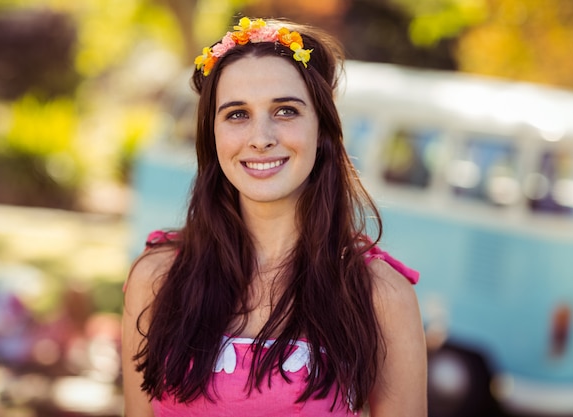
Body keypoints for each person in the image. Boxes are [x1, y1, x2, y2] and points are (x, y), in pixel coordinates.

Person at [122, 17, 427, 417]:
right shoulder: (157, 278)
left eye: (285, 111)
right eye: (236, 114)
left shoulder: (379, 295)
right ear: (211, 135)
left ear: (322, 128)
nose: (261, 137)